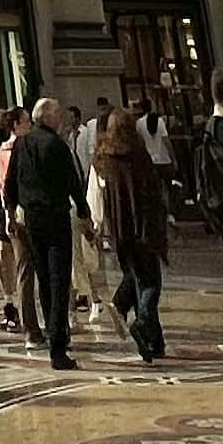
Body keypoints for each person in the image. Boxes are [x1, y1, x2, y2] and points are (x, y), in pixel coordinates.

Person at [6, 97, 80, 367]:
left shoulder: (21, 144)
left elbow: (10, 183)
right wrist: (84, 212)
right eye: (57, 114)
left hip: (32, 221)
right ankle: (58, 346)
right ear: (47, 117)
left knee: (45, 280)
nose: (60, 119)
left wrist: (11, 210)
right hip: (55, 218)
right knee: (59, 279)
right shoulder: (57, 145)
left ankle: (53, 334)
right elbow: (72, 182)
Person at [92, 107, 170, 363]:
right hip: (143, 230)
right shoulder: (138, 157)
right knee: (150, 283)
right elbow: (151, 197)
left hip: (121, 232)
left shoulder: (106, 158)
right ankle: (141, 321)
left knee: (136, 279)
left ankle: (153, 343)